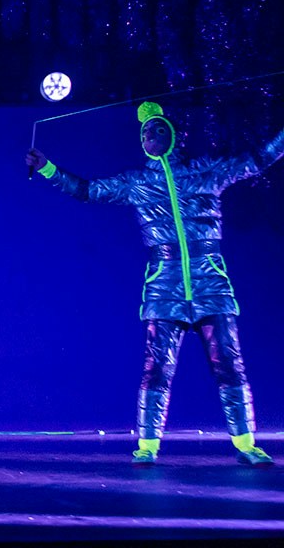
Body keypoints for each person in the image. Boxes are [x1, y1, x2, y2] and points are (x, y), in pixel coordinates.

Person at [27, 101, 281, 466]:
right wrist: (47, 167)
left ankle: (246, 444)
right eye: (146, 133)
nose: (151, 136)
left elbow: (257, 160)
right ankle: (147, 446)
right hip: (164, 287)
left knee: (229, 361)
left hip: (210, 283)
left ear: (173, 136)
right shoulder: (138, 183)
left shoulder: (205, 172)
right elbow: (88, 190)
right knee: (157, 366)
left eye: (158, 130)